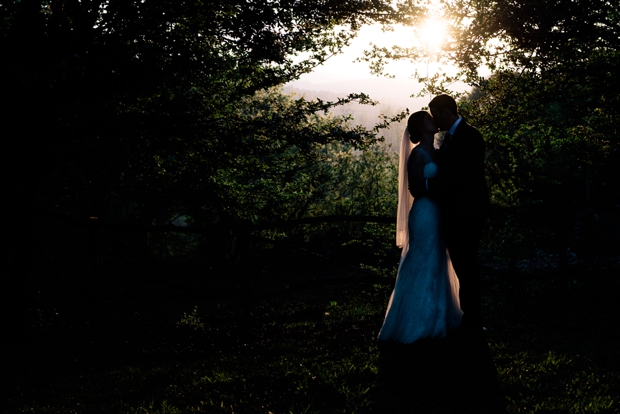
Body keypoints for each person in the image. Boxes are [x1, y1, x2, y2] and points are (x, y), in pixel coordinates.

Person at [377, 111, 462, 343]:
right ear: (422, 127)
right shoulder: (417, 154)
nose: (434, 121)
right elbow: (415, 188)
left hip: (438, 213)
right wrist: (439, 185)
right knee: (421, 260)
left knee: (437, 260)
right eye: (428, 119)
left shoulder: (437, 152)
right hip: (424, 213)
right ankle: (414, 321)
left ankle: (438, 316)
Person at [428, 94, 490, 332]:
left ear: (446, 113)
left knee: (466, 267)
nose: (435, 121)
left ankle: (473, 321)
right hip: (456, 213)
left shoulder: (470, 136)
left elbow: (461, 176)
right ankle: (468, 318)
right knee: (462, 266)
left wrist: (430, 186)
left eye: (436, 115)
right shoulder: (450, 137)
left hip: (467, 212)